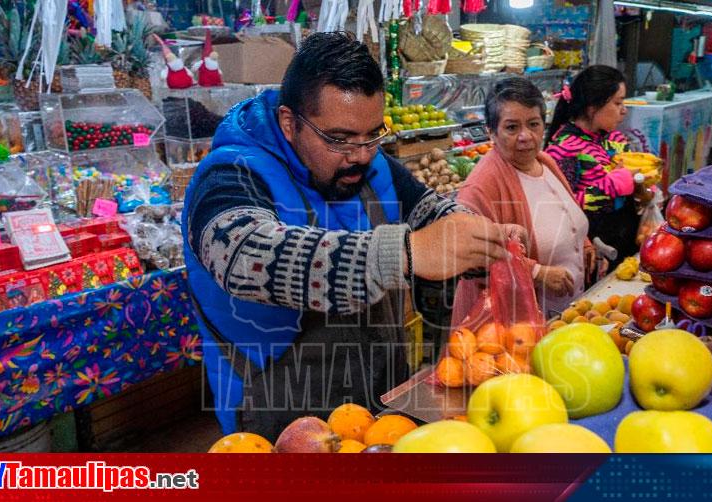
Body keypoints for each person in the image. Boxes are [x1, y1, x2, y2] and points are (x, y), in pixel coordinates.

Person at [182, 32, 522, 439]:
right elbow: (242, 253)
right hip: (283, 410)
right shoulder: (230, 175)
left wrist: (474, 234)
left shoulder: (370, 164)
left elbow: (429, 210)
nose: (361, 154)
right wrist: (404, 254)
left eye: (373, 135)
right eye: (339, 139)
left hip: (381, 391)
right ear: (290, 123)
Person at [453, 77, 595, 321]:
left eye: (533, 124)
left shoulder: (544, 162)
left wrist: (583, 244)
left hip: (563, 315)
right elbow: (471, 257)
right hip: (512, 327)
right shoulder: (480, 187)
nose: (526, 136)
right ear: (491, 132)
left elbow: (565, 214)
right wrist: (537, 272)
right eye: (511, 127)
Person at [545, 65, 640, 265]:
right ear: (592, 107)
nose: (623, 111)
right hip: (590, 252)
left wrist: (643, 188)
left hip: (625, 240)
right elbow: (559, 209)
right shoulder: (564, 149)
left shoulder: (614, 139)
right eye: (617, 103)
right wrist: (612, 186)